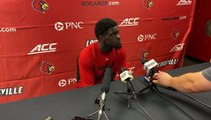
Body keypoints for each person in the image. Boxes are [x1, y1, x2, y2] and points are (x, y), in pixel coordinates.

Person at [77, 18, 127, 88]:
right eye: (113, 34)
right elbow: (88, 88)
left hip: (108, 86)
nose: (118, 37)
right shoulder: (87, 55)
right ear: (101, 37)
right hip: (89, 89)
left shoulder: (119, 50)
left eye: (118, 33)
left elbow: (125, 77)